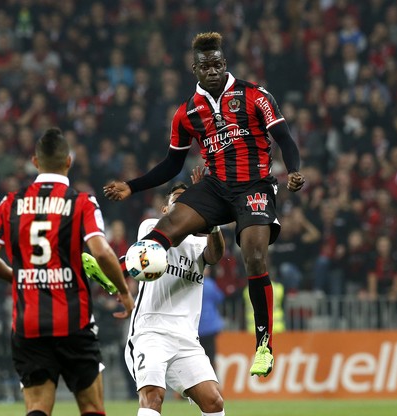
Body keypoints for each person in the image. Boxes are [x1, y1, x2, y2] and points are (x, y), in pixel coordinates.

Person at [104, 32, 305, 377]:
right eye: (204, 65)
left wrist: (294, 171)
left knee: (254, 255)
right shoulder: (186, 113)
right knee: (165, 226)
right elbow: (171, 165)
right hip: (214, 186)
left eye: (217, 64)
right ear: (193, 68)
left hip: (254, 185)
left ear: (224, 64)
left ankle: (264, 344)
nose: (212, 70)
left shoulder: (255, 95)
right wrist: (131, 186)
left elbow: (284, 138)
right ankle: (120, 268)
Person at [0, 128, 135, 416]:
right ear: (69, 162)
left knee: (38, 407)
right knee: (91, 407)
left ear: (35, 163)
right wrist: (124, 291)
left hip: (29, 323)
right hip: (73, 321)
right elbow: (100, 250)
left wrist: (21, 278)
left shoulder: (10, 203)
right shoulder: (82, 202)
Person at [125, 182, 226, 416]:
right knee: (152, 397)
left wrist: (212, 225)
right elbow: (173, 236)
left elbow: (215, 255)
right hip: (151, 333)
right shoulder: (150, 227)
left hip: (186, 337)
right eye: (178, 201)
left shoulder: (201, 243)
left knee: (214, 401)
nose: (184, 206)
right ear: (164, 209)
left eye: (189, 202)